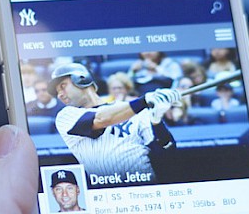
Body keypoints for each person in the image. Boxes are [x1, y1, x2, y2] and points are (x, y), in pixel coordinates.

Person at [0, 124, 249, 213]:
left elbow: (167, 151)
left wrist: (155, 121)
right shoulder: (70, 118)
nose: (63, 192)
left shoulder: (137, 124)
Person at [50, 62, 179, 184]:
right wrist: (143, 101)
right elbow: (101, 119)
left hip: (143, 187)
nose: (59, 95)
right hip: (107, 192)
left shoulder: (136, 110)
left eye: (63, 86)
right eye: (57, 92)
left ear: (81, 79)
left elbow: (166, 154)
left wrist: (157, 122)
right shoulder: (65, 116)